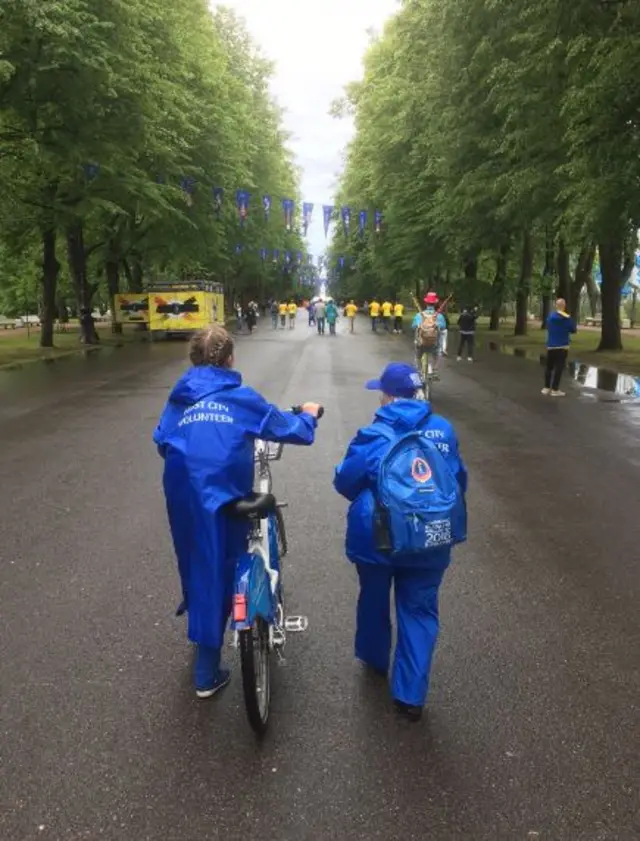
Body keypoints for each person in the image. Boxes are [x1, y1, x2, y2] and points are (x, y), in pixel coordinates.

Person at [153, 325, 322, 697]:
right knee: (223, 564)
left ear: (194, 359)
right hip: (222, 489)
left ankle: (203, 643)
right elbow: (292, 429)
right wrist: (309, 414)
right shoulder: (239, 396)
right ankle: (206, 673)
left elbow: (161, 440)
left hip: (182, 488)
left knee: (197, 562)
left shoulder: (180, 397)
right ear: (229, 358)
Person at [334, 362, 467, 721]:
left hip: (378, 536)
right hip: (430, 536)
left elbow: (345, 482)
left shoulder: (373, 433)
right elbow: (457, 480)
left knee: (374, 598)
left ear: (388, 395)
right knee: (420, 609)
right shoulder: (443, 430)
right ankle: (410, 696)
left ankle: (376, 659)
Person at [543, 297, 577, 397]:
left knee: (549, 367)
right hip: (562, 346)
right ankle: (555, 389)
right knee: (559, 368)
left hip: (550, 346)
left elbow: (548, 327)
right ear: (564, 306)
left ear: (556, 306)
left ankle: (546, 387)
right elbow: (573, 330)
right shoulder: (567, 318)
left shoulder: (550, 316)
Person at [412, 292, 447, 377]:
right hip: (434, 344)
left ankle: (419, 372)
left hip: (421, 343)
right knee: (436, 354)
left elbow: (413, 326)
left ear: (426, 303)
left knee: (418, 356)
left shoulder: (419, 315)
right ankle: (434, 371)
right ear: (435, 303)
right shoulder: (439, 316)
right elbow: (443, 327)